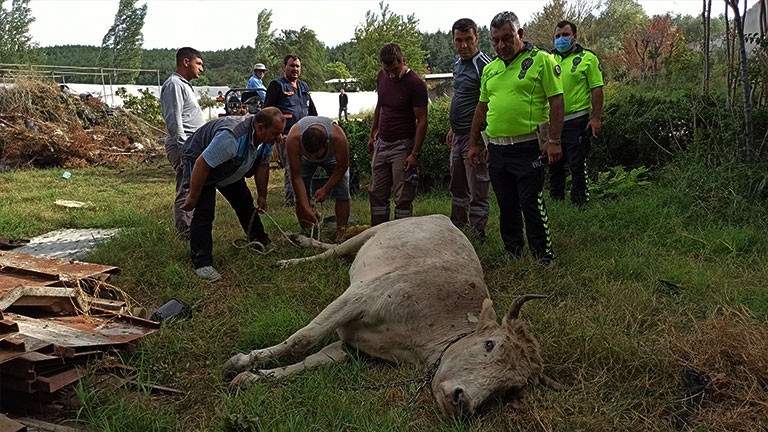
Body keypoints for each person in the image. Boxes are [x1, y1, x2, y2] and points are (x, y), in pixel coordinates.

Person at [467, 11, 564, 264]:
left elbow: (557, 101)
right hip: (497, 150)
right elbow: (481, 108)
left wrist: (554, 141)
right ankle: (513, 252)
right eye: (496, 40)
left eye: (507, 38)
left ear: (519, 34)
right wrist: (474, 143)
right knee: (507, 204)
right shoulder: (490, 69)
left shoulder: (541, 60)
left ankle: (544, 257)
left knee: (530, 202)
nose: (501, 45)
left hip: (529, 147)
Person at [180, 107, 286, 281]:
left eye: (281, 133)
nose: (279, 138)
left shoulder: (267, 139)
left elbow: (262, 166)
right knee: (204, 212)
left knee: (244, 203)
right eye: (276, 133)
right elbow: (202, 164)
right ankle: (202, 263)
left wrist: (262, 196)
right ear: (260, 128)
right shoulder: (231, 138)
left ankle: (259, 239)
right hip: (200, 161)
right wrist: (193, 196)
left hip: (229, 164)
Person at [367, 43, 428, 226]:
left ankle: (402, 233)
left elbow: (422, 120)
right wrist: (373, 134)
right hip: (382, 143)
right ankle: (378, 232)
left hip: (403, 145)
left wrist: (414, 154)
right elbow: (380, 106)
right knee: (376, 192)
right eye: (387, 71)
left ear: (404, 61)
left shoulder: (415, 84)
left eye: (395, 69)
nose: (392, 75)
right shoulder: (382, 77)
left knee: (403, 196)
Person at [446, 18, 493, 242]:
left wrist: (481, 139)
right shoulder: (457, 63)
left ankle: (478, 233)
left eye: (468, 40)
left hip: (476, 138)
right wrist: (452, 128)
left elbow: (490, 103)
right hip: (458, 135)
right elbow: (461, 97)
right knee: (458, 184)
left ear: (477, 38)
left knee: (478, 186)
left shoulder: (485, 64)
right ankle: (457, 227)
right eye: (458, 40)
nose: (463, 45)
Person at [548, 20, 604, 206]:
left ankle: (580, 203)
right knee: (554, 163)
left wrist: (596, 118)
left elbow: (596, 89)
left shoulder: (588, 58)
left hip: (576, 121)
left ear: (574, 37)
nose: (561, 39)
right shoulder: (548, 59)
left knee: (576, 164)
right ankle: (556, 200)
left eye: (565, 35)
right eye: (557, 36)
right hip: (553, 123)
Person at [160, 47, 205, 240]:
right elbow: (173, 119)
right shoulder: (174, 85)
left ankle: (192, 226)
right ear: (186, 62)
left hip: (192, 144)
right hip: (183, 146)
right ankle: (185, 231)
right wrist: (184, 145)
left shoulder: (184, 85)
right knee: (186, 185)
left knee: (195, 184)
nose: (201, 69)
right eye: (199, 63)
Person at [285, 116, 351, 241]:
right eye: (309, 154)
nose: (313, 158)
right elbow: (296, 177)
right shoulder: (293, 138)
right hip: (303, 162)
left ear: (326, 143)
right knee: (300, 194)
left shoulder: (338, 137)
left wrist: (325, 189)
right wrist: (306, 207)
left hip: (332, 159)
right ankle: (307, 231)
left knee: (342, 191)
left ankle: (341, 232)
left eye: (316, 155)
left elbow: (342, 167)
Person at [264, 54, 318, 207]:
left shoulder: (304, 86)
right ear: (284, 67)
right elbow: (268, 111)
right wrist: (276, 134)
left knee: (307, 166)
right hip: (286, 136)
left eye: (297, 66)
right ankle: (292, 201)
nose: (295, 69)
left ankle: (306, 198)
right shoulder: (277, 85)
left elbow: (312, 111)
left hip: (306, 134)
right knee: (292, 167)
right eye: (292, 66)